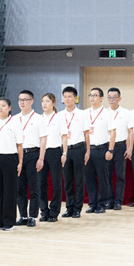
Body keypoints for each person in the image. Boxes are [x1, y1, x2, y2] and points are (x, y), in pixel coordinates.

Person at [0, 98, 23, 231]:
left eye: (3, 106)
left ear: (9, 108)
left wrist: (20, 162)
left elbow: (19, 145)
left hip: (10, 157)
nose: (0, 108)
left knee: (9, 190)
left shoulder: (15, 122)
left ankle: (8, 222)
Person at [13, 90, 47, 227]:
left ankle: (32, 216)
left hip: (33, 154)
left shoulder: (39, 118)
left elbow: (43, 139)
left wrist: (41, 158)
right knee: (19, 187)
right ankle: (23, 215)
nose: (22, 102)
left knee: (34, 187)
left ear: (32, 101)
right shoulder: (14, 119)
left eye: (25, 100)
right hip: (18, 155)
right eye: (20, 100)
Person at [60, 86, 90, 218]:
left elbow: (87, 134)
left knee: (79, 180)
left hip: (78, 148)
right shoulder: (59, 115)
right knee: (67, 180)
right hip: (65, 150)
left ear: (75, 98)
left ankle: (78, 208)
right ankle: (69, 207)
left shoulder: (82, 114)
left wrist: (87, 151)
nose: (67, 99)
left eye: (70, 96)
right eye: (65, 97)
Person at [39, 93, 68, 222]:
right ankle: (44, 211)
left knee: (56, 183)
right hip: (41, 153)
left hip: (54, 151)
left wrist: (64, 153)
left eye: (47, 101)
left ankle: (54, 212)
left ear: (53, 103)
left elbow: (64, 137)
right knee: (41, 183)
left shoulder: (59, 118)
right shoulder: (39, 118)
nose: (44, 104)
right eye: (43, 101)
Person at [84, 87, 110, 214]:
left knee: (102, 177)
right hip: (88, 150)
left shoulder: (107, 113)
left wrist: (110, 150)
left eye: (95, 95)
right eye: (91, 95)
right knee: (89, 178)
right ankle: (92, 203)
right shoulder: (85, 113)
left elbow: (112, 133)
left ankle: (102, 203)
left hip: (102, 148)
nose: (92, 97)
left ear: (101, 98)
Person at [105, 87, 129, 210]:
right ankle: (110, 200)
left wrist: (129, 148)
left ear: (119, 98)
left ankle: (118, 201)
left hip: (120, 146)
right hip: (107, 147)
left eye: (114, 97)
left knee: (120, 175)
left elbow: (130, 132)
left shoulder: (126, 113)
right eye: (109, 97)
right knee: (107, 175)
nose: (112, 100)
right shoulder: (104, 113)